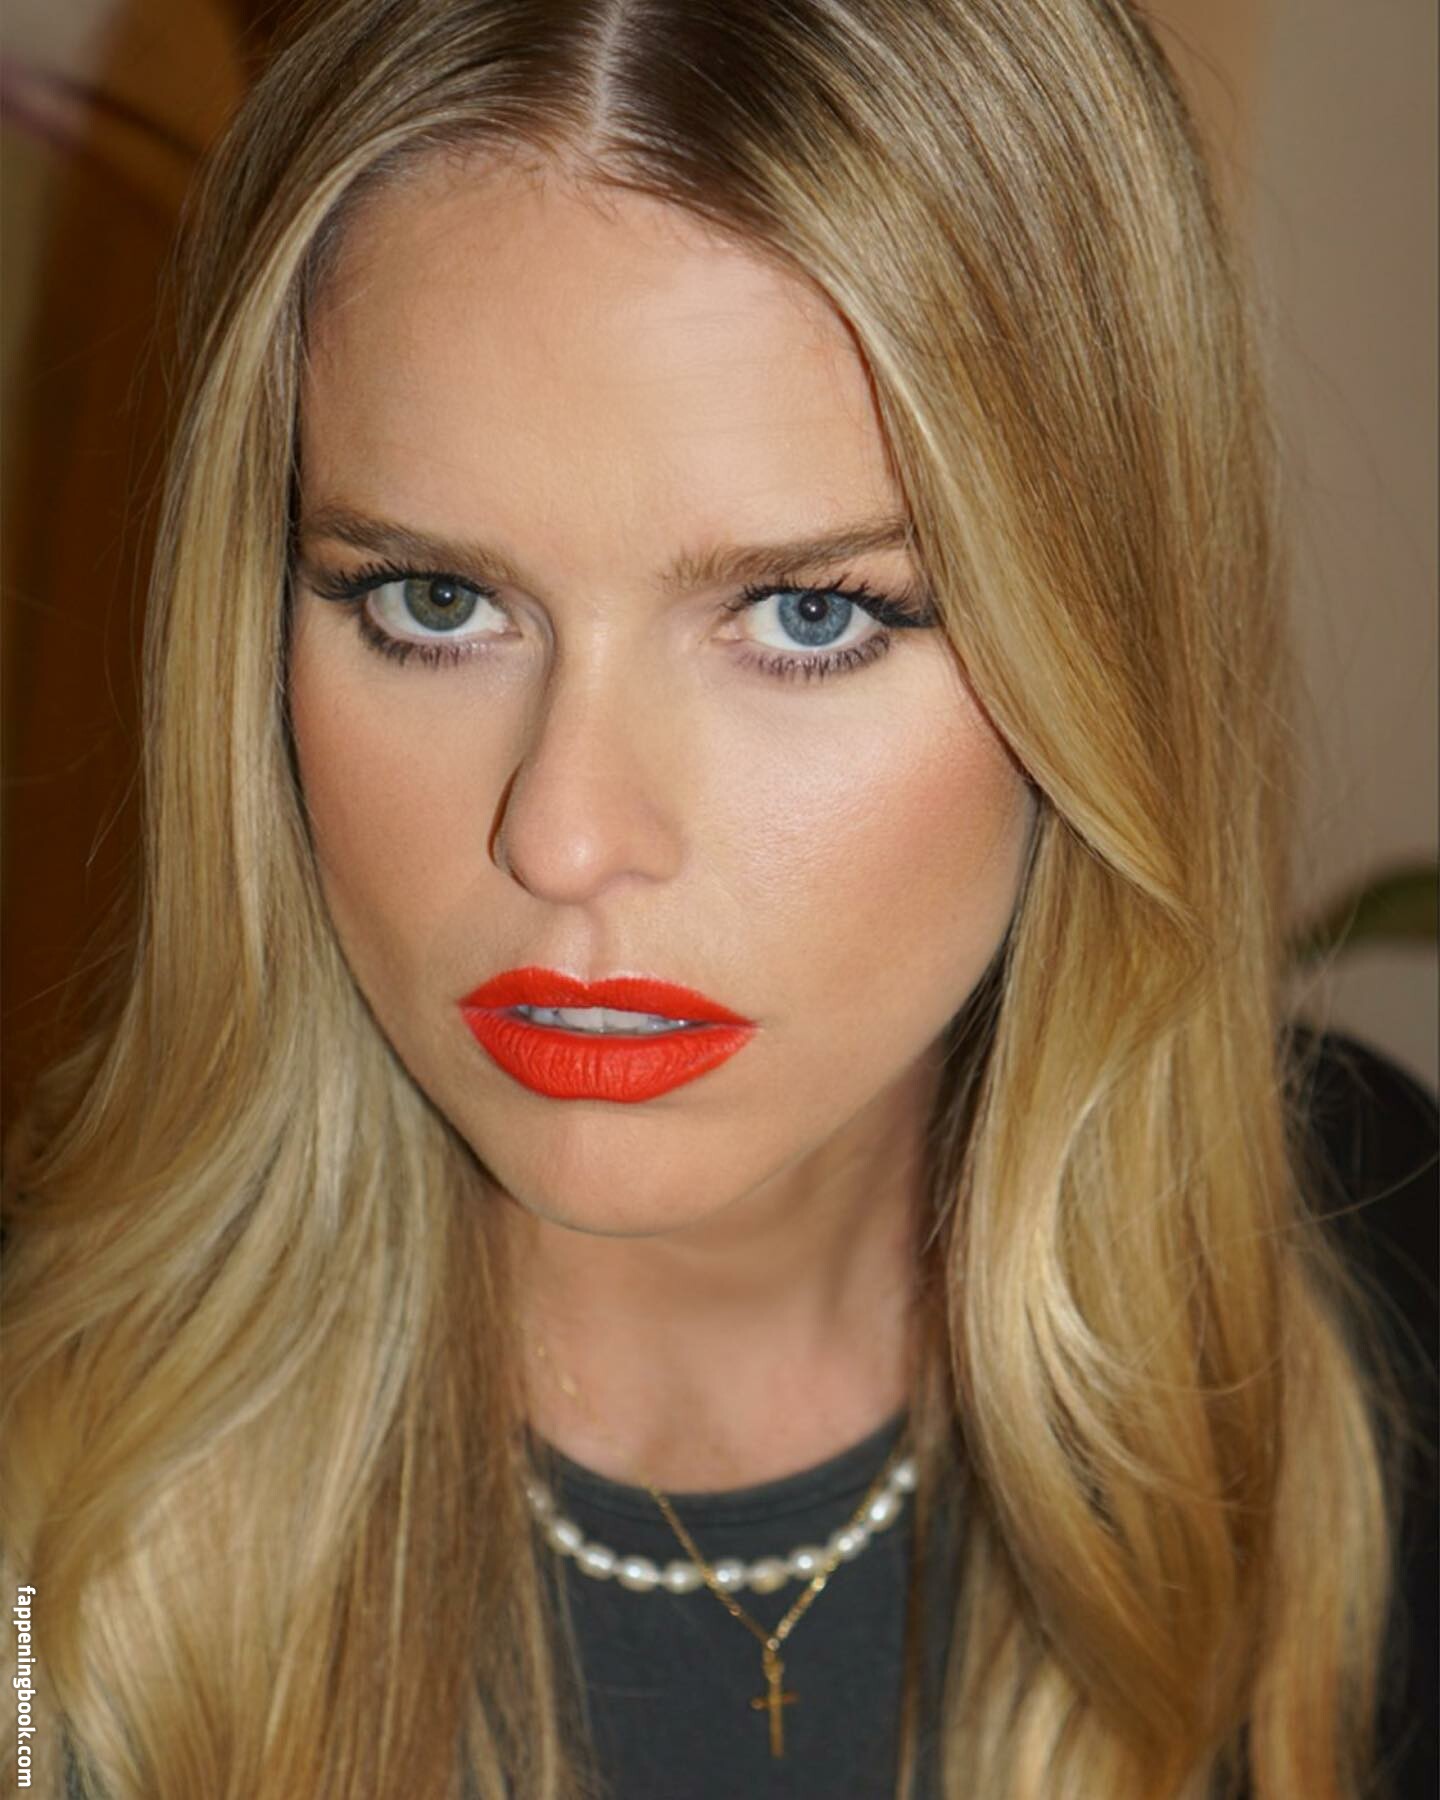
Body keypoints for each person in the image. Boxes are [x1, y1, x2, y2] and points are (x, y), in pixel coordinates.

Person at [1, 1, 1434, 1796]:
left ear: (1111, 650)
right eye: (436, 601)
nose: (566, 835)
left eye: (808, 616)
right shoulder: (40, 1543)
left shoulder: (1381, 1291)